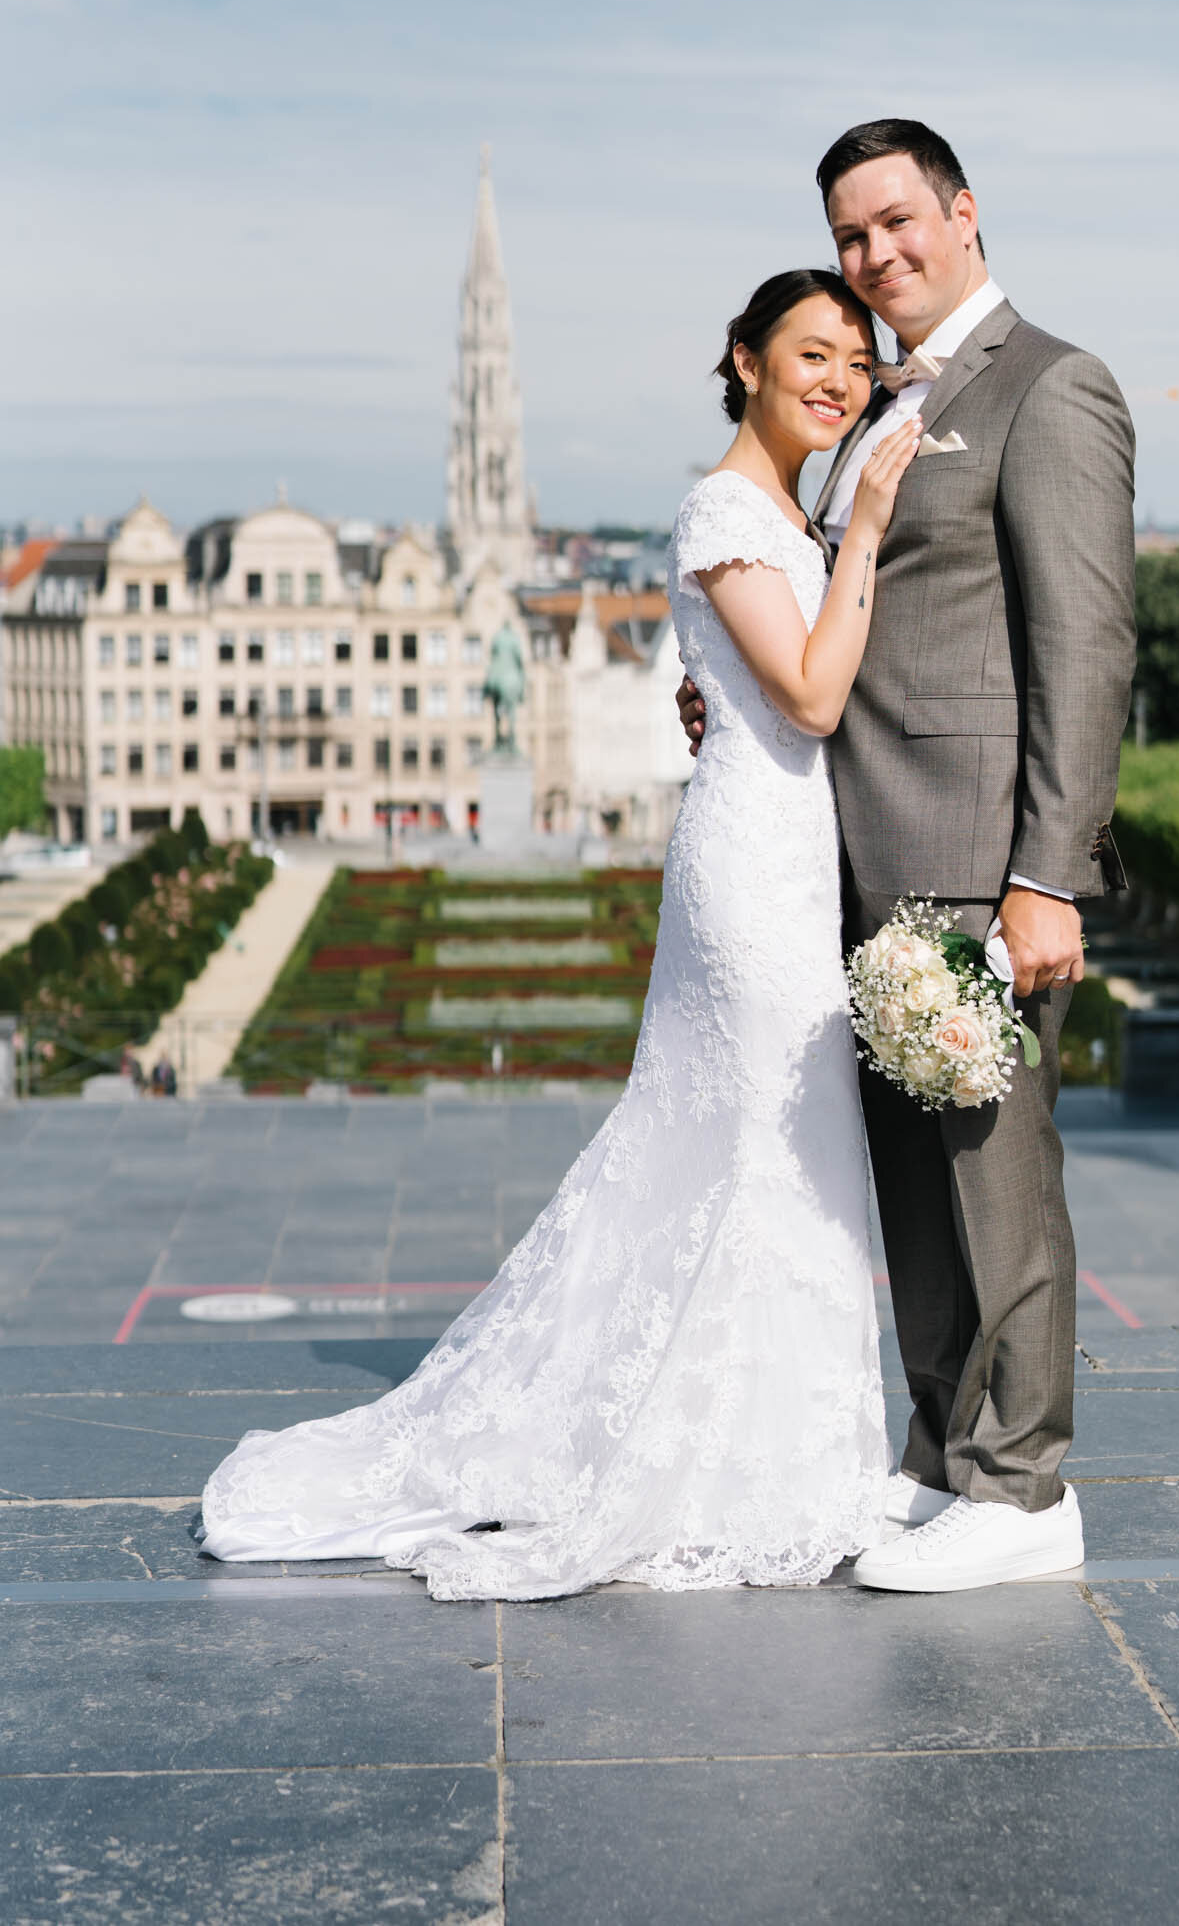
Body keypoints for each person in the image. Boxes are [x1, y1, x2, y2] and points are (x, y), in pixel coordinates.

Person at [199, 268, 920, 1602]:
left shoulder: (776, 506)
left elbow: (771, 680)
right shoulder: (728, 505)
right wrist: (869, 521)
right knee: (758, 1139)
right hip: (753, 875)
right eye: (811, 352)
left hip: (778, 853)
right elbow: (816, 692)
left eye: (857, 362)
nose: (838, 377)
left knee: (766, 1144)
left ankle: (783, 1453)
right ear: (744, 360)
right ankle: (746, 1463)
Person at [679, 120, 1135, 1591]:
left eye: (896, 222)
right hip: (850, 853)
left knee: (999, 1176)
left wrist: (1049, 870)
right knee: (911, 1183)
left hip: (974, 848)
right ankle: (944, 1455)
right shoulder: (876, 405)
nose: (877, 256)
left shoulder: (1051, 387)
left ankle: (1026, 1483)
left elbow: (1086, 644)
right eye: (852, 235)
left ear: (963, 212)